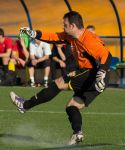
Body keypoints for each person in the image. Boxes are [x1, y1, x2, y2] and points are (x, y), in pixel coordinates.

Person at [10, 11, 112, 145]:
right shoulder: (71, 37)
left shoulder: (88, 40)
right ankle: (77, 134)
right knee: (71, 106)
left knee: (59, 82)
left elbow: (107, 55)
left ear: (73, 26)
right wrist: (34, 33)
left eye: (65, 25)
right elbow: (53, 36)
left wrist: (101, 73)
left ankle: (25, 105)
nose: (63, 27)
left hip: (94, 75)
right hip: (95, 76)